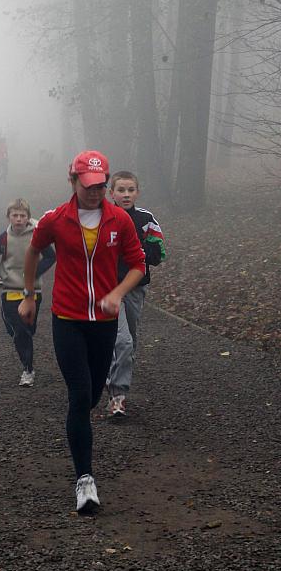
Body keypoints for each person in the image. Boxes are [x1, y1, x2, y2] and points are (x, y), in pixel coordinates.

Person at [19, 151, 146, 514]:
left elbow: (137, 264)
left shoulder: (119, 220)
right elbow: (33, 252)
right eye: (88, 186)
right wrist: (29, 296)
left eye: (100, 186)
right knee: (79, 395)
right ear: (73, 181)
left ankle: (82, 420)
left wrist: (117, 294)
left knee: (90, 397)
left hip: (103, 323)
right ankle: (85, 481)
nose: (95, 192)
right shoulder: (55, 219)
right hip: (68, 319)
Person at [106, 171, 166, 418]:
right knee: (123, 341)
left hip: (136, 288)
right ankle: (117, 397)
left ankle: (113, 376)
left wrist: (136, 249)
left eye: (131, 190)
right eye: (121, 190)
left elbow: (158, 253)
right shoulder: (102, 218)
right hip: (108, 289)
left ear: (137, 192)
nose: (126, 194)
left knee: (130, 340)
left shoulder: (146, 219)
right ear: (112, 193)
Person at [0, 198, 55, 387]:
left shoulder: (37, 236)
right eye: (15, 215)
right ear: (8, 218)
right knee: (18, 329)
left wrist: (34, 271)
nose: (19, 219)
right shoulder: (3, 239)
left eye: (23, 216)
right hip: (9, 290)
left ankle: (27, 363)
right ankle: (28, 368)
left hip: (32, 291)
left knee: (27, 330)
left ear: (28, 217)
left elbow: (51, 256)